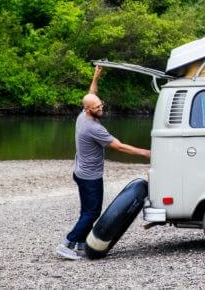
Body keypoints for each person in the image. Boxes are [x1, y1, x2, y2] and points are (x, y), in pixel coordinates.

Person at [56, 65, 152, 260]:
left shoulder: (83, 115)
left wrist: (95, 77)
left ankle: (82, 243)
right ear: (88, 110)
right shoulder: (93, 128)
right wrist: (145, 152)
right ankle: (67, 244)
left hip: (80, 172)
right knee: (92, 213)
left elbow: (91, 93)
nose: (101, 108)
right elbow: (119, 146)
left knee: (86, 210)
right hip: (90, 176)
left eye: (101, 105)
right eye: (98, 107)